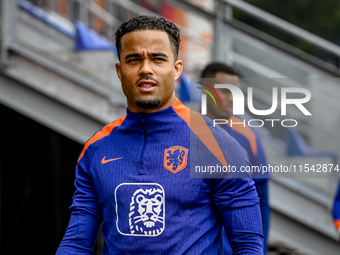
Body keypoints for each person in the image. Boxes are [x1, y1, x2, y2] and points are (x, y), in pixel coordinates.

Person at [56, 16, 263, 254]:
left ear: (176, 69)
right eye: (133, 59)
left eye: (158, 58)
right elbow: (76, 244)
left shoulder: (217, 145)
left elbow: (248, 245)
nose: (145, 69)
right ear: (119, 70)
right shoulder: (96, 148)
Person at [200, 62, 271, 254]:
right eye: (225, 91)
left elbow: (261, 202)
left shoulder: (249, 137)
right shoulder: (183, 131)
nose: (232, 99)